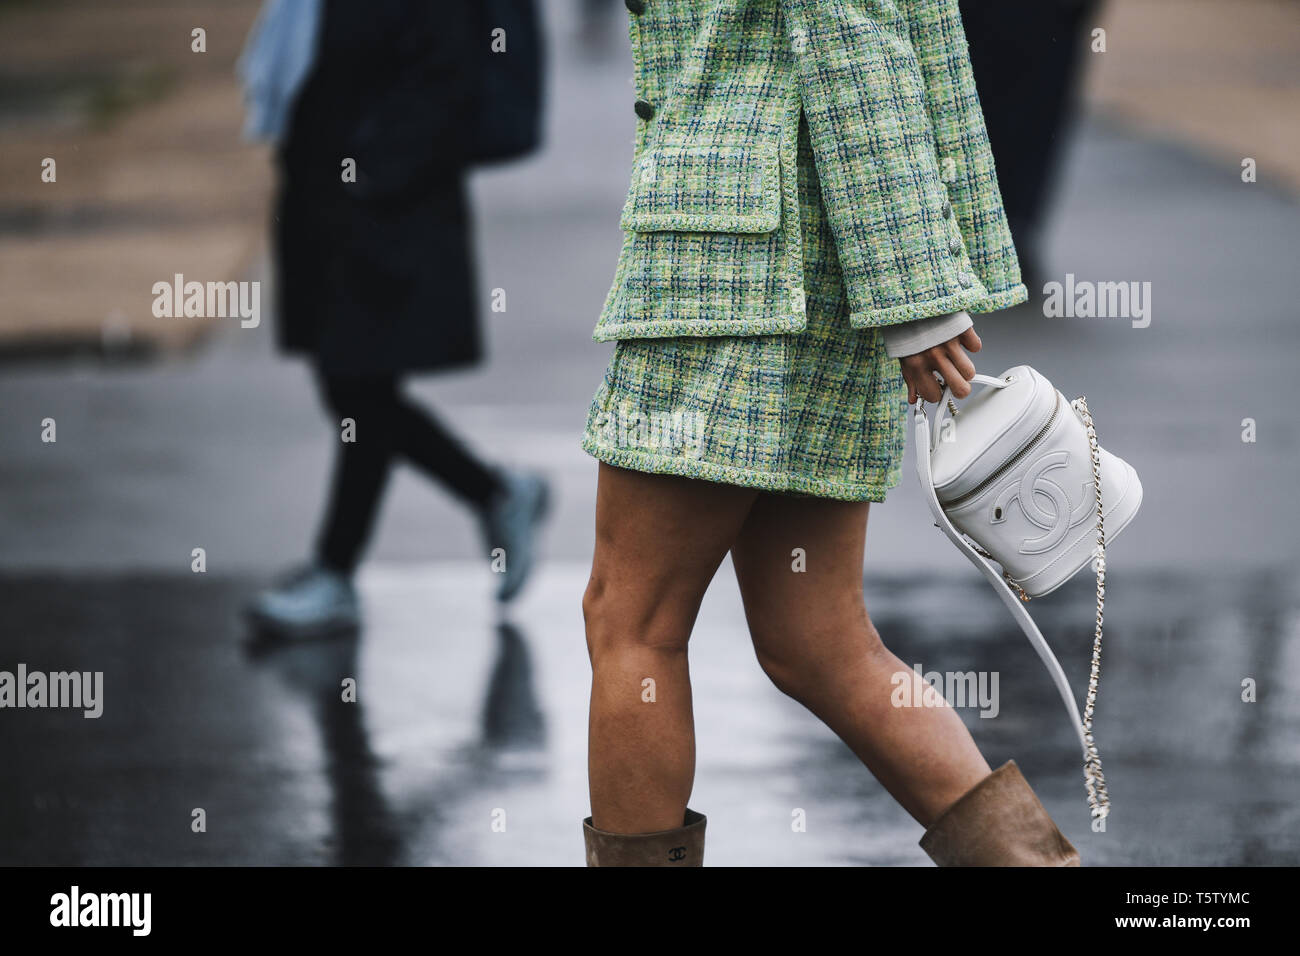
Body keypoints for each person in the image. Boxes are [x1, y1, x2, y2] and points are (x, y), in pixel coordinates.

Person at [578, 0, 1079, 866]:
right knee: (820, 641)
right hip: (811, 256)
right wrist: (904, 287)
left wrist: (915, 292)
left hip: (730, 263)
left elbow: (858, 39)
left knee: (631, 621)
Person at [240, 0, 548, 637]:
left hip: (383, 209)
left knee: (359, 386)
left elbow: (444, 75)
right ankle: (493, 493)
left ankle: (336, 573)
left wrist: (371, 176)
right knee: (355, 389)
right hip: (332, 198)